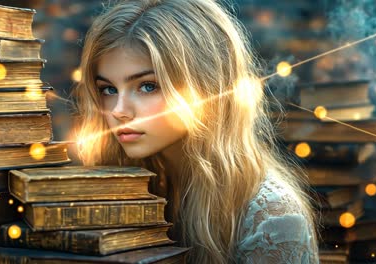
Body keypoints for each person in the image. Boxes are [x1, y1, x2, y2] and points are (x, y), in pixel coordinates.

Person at [73, 0, 319, 263]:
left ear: (206, 86)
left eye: (147, 86)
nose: (119, 110)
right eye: (108, 89)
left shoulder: (269, 216)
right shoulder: (126, 187)